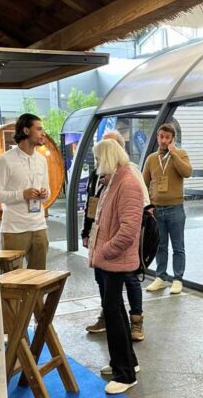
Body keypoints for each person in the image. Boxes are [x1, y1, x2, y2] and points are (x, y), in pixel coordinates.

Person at [83, 130, 150, 341]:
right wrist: (88, 233)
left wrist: (106, 248)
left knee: (130, 282)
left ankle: (136, 321)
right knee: (109, 296)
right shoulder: (101, 176)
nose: (99, 159)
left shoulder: (129, 177)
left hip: (118, 250)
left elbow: (138, 214)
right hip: (103, 245)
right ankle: (108, 317)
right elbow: (92, 205)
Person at [88, 139, 142, 395]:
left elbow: (128, 232)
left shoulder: (128, 182)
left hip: (114, 260)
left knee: (113, 312)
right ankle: (126, 362)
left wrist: (102, 250)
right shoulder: (113, 181)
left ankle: (125, 373)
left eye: (98, 159)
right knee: (115, 310)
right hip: (107, 260)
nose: (96, 165)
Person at [0, 113, 50, 270]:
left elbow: (48, 192)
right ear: (25, 131)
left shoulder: (42, 160)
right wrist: (21, 194)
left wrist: (45, 194)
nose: (43, 133)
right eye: (38, 129)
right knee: (13, 280)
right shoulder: (5, 160)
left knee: (40, 280)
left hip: (39, 227)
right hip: (14, 229)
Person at [143, 123, 192, 294]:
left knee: (178, 246)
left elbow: (187, 172)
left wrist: (174, 154)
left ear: (172, 139)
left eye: (167, 137)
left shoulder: (180, 154)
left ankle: (178, 279)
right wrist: (148, 205)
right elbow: (144, 183)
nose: (163, 140)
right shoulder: (151, 159)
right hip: (157, 209)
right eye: (161, 137)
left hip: (175, 209)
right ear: (157, 138)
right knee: (160, 246)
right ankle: (161, 277)